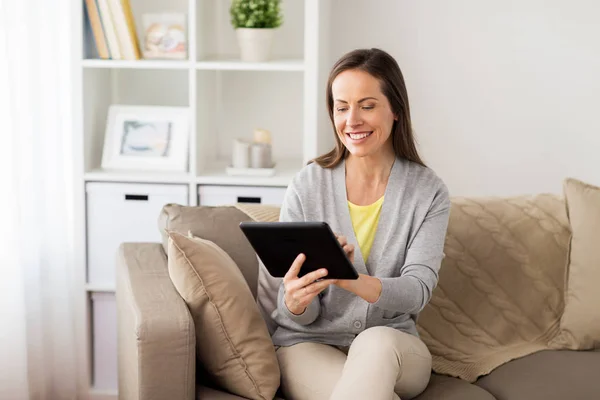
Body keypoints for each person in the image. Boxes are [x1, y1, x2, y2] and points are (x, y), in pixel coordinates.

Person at [257, 48, 451, 400]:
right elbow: (291, 310)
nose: (352, 120)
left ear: (395, 110)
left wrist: (349, 279)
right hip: (308, 346)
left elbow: (416, 292)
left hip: (394, 347)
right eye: (341, 107)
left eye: (367, 105)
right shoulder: (308, 185)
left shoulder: (428, 192)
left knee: (374, 342)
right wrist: (297, 300)